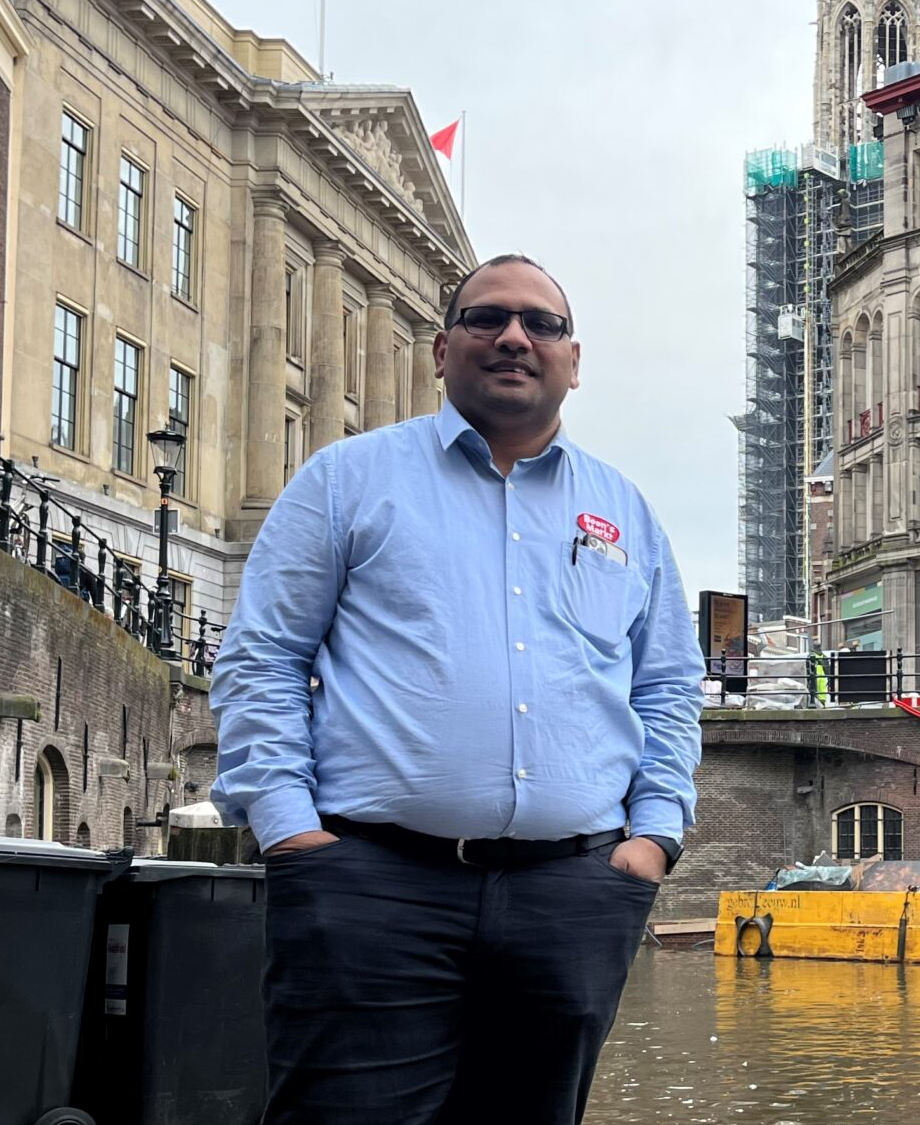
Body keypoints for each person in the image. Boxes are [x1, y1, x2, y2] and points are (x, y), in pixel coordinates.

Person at [209, 253, 704, 1125]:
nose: (515, 336)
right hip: (372, 885)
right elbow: (265, 656)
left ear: (573, 361)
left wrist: (654, 834)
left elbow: (665, 681)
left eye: (541, 323)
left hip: (570, 892)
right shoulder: (346, 481)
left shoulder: (624, 511)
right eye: (487, 318)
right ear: (442, 349)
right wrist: (288, 828)